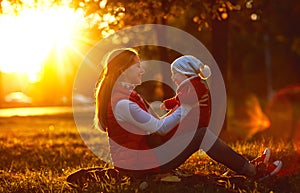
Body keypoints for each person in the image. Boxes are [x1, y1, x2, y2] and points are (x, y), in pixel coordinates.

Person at [67, 48, 282, 187]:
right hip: (143, 164)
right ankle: (255, 173)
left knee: (198, 134)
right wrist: (187, 108)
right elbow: (160, 128)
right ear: (124, 69)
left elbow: (156, 126)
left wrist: (182, 110)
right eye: (138, 65)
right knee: (201, 136)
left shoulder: (126, 97)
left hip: (145, 157)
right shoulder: (123, 103)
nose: (142, 70)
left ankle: (249, 168)